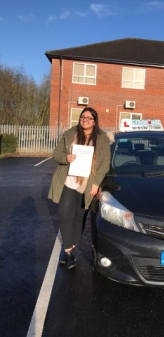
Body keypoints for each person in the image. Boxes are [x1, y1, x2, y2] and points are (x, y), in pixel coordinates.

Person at [48, 107, 110, 269]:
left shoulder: (102, 139)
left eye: (89, 118)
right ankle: (68, 253)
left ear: (94, 121)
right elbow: (56, 153)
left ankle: (70, 248)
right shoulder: (70, 134)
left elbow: (104, 164)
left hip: (87, 185)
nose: (85, 120)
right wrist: (65, 157)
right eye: (83, 117)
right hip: (68, 181)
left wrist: (96, 184)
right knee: (64, 215)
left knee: (79, 217)